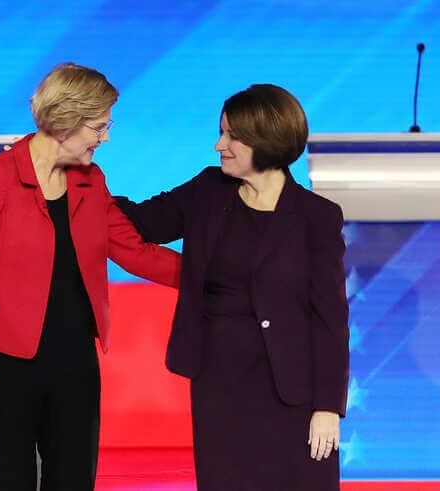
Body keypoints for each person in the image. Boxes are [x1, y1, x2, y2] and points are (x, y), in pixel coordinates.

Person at [0, 62, 181, 491]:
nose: (106, 138)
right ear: (66, 121)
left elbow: (135, 253)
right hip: (1, 367)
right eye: (99, 127)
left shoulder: (90, 181)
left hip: (74, 364)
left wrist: (219, 275)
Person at [114, 84, 349, 491]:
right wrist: (76, 182)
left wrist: (328, 406)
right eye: (221, 132)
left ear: (265, 140)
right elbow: (142, 221)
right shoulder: (208, 191)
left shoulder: (317, 217)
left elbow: (330, 320)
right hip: (220, 388)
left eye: (230, 136)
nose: (218, 144)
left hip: (294, 394)